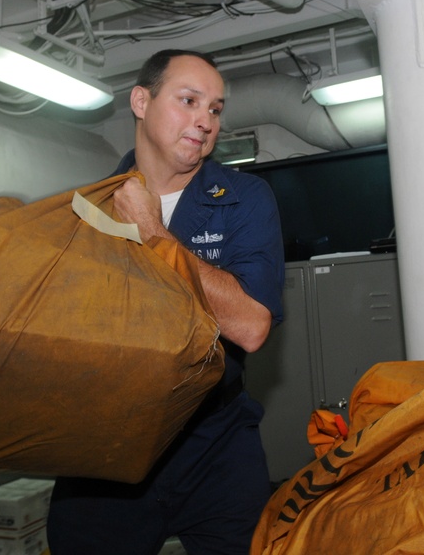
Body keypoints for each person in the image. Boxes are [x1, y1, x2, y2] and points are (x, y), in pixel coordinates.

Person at [47, 49, 285, 554]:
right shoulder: (82, 212)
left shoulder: (245, 197)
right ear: (140, 101)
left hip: (214, 440)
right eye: (189, 101)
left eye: (215, 109)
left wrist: (153, 232)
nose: (205, 120)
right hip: (107, 446)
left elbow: (250, 327)